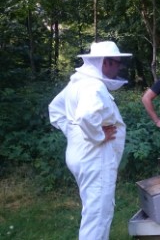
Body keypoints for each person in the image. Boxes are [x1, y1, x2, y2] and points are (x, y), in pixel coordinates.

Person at [48, 41, 132, 240]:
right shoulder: (93, 86)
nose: (119, 67)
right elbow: (86, 115)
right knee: (97, 216)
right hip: (95, 158)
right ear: (105, 63)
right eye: (117, 63)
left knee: (93, 209)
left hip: (82, 154)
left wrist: (75, 133)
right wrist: (97, 136)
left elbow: (55, 109)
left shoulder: (78, 83)